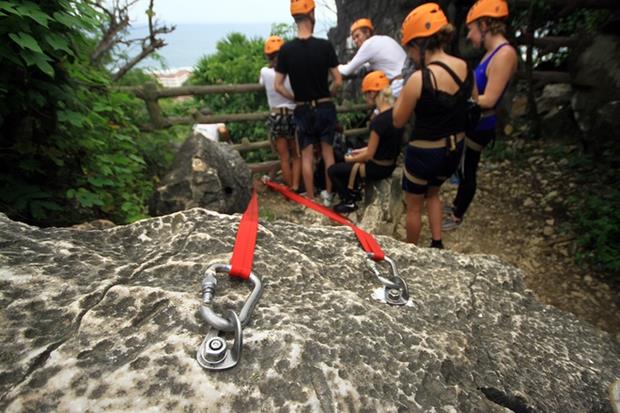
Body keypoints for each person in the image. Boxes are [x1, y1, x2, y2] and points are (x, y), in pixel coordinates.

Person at [393, 2, 474, 248]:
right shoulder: (465, 68)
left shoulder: (419, 79)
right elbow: (475, 101)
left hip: (423, 154)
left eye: (409, 48)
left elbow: (398, 120)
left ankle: (412, 252)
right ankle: (437, 243)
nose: (409, 54)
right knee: (434, 193)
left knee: (414, 205)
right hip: (453, 150)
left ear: (419, 44)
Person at [442, 0, 517, 230]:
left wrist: (458, 98)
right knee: (464, 166)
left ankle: (457, 214)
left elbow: (489, 99)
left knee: (467, 168)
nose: (470, 36)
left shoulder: (504, 54)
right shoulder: (492, 53)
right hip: (475, 120)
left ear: (485, 25)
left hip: (481, 123)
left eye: (471, 29)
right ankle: (456, 206)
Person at [275, 0, 342, 204]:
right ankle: (328, 196)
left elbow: (278, 85)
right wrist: (327, 94)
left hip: (302, 108)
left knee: (305, 155)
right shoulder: (324, 46)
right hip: (324, 105)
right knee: (327, 152)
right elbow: (338, 80)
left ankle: (311, 199)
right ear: (312, 14)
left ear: (294, 18)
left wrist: (294, 98)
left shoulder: (286, 50)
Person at [328, 71, 403, 213]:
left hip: (377, 168)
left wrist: (350, 158)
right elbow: (379, 145)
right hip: (389, 163)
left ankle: (349, 201)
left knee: (333, 171)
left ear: (372, 94)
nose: (365, 97)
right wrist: (359, 152)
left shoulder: (378, 121)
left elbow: (369, 155)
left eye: (366, 93)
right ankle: (354, 191)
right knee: (346, 154)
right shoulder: (396, 114)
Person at [259, 35, 301, 191]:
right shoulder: (293, 72)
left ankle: (289, 189)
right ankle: (296, 186)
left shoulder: (265, 72)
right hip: (293, 115)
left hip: (276, 116)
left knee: (284, 156)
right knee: (296, 155)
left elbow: (261, 84)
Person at [338, 18, 407, 97]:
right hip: (408, 79)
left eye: (357, 36)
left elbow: (346, 70)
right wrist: (366, 67)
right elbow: (381, 60)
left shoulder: (368, 45)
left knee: (381, 108)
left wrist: (333, 67)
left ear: (367, 32)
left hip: (399, 86)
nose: (356, 41)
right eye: (354, 39)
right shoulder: (383, 39)